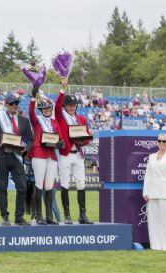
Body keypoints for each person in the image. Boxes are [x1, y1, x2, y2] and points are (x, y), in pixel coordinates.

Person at [0, 80, 33, 226]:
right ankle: (4, 216)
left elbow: (31, 139)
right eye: (11, 103)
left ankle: (19, 217)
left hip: (16, 157)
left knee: (22, 186)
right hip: (1, 155)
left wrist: (24, 149)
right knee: (2, 187)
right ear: (6, 105)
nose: (14, 106)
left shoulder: (24, 121)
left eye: (16, 103)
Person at [54, 78, 93, 225]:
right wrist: (62, 89)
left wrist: (83, 142)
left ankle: (82, 215)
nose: (71, 107)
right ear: (65, 106)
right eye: (69, 105)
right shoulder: (61, 116)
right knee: (65, 184)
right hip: (65, 155)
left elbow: (87, 137)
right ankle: (67, 215)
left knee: (81, 184)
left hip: (78, 155)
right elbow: (57, 106)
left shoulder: (81, 119)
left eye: (73, 105)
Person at [28, 86, 64, 225]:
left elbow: (59, 137)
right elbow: (30, 112)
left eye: (49, 108)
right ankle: (38, 216)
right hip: (39, 154)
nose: (48, 110)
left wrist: (60, 143)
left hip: (52, 156)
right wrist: (33, 97)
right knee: (39, 184)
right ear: (41, 110)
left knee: (49, 186)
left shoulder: (55, 122)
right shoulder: (37, 120)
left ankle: (49, 216)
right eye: (45, 109)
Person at [142, 133, 166, 251]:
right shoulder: (151, 156)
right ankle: (155, 246)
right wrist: (145, 192)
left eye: (164, 141)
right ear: (157, 142)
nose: (162, 143)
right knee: (153, 221)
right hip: (152, 192)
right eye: (160, 141)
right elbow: (147, 175)